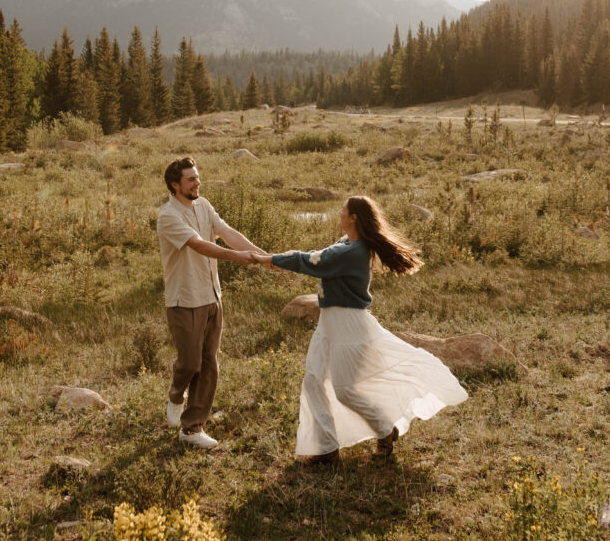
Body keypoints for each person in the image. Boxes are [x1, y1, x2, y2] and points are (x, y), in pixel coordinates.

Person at [252, 196, 467, 462]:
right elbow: (318, 256)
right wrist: (271, 259)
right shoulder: (346, 244)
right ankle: (326, 448)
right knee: (313, 381)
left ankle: (386, 429)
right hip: (329, 323)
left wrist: (270, 259)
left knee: (344, 389)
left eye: (343, 209)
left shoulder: (353, 252)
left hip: (348, 325)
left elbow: (313, 261)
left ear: (354, 217)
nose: (339, 212)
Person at [157, 156, 267, 450]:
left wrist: (264, 257)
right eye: (191, 179)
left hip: (212, 297)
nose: (198, 183)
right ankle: (176, 394)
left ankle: (192, 428)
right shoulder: (168, 215)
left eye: (197, 177)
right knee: (190, 363)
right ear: (175, 185)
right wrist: (239, 258)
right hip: (185, 299)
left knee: (209, 365)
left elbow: (227, 234)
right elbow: (198, 245)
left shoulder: (204, 206)